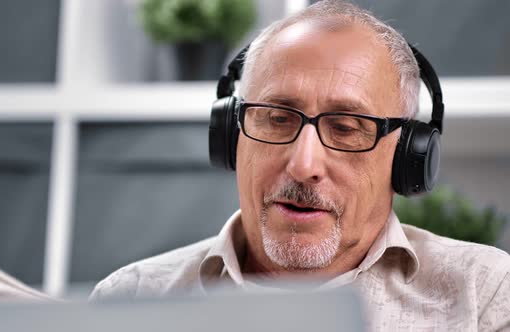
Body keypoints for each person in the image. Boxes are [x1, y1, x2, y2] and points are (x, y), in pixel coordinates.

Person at [91, 0, 510, 330]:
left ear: (407, 157)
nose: (304, 163)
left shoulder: (485, 295)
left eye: (346, 128)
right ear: (231, 136)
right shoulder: (131, 296)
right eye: (277, 118)